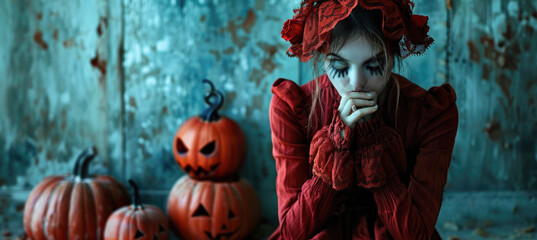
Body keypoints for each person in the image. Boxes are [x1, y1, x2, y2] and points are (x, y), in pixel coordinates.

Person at [268, 0, 458, 239]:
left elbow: (416, 235)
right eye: (339, 65)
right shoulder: (292, 109)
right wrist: (336, 144)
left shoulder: (430, 113)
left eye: (374, 64)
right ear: (322, 59)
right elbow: (292, 233)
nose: (356, 83)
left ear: (392, 57)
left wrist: (374, 142)